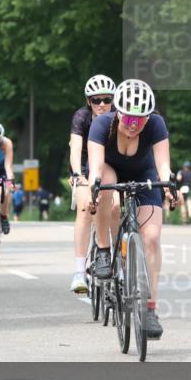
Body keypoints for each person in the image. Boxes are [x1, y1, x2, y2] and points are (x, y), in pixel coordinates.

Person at [88, 79, 179, 340]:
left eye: (140, 119)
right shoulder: (102, 125)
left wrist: (170, 188)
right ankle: (105, 251)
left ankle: (150, 308)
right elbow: (96, 165)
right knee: (109, 194)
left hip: (144, 172)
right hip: (108, 169)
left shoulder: (156, 124)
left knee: (151, 238)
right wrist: (95, 190)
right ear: (117, 112)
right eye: (128, 118)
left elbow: (163, 165)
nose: (133, 125)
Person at [68, 74, 116, 293]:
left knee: (116, 207)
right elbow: (76, 148)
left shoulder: (118, 116)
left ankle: (121, 260)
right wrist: (78, 174)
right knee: (85, 208)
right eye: (97, 100)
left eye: (107, 99)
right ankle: (79, 271)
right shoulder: (82, 117)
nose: (102, 105)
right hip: (86, 167)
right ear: (89, 102)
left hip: (112, 167)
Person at [0, 122, 16, 234]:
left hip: (2, 171)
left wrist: (10, 182)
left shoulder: (7, 143)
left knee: (5, 192)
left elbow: (8, 165)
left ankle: (4, 216)